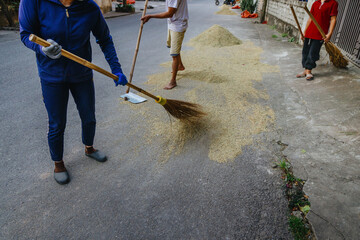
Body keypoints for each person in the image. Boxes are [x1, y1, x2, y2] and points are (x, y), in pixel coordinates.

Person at [19, 0, 128, 185]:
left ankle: (89, 147)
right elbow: (26, 34)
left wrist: (116, 69)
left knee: (89, 116)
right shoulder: (33, 2)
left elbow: (105, 39)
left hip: (82, 74)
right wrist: (41, 48)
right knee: (57, 123)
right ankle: (58, 163)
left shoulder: (89, 6)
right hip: (51, 76)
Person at [141, 0, 188, 90]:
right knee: (173, 48)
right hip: (172, 23)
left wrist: (150, 16)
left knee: (174, 54)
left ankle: (173, 81)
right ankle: (180, 66)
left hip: (178, 25)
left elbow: (170, 13)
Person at [297, 0, 338, 81]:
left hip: (320, 34)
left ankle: (309, 71)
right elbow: (310, 18)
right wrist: (305, 32)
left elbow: (333, 19)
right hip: (309, 32)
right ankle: (305, 70)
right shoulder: (316, 3)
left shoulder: (333, 3)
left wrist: (329, 34)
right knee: (305, 51)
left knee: (313, 53)